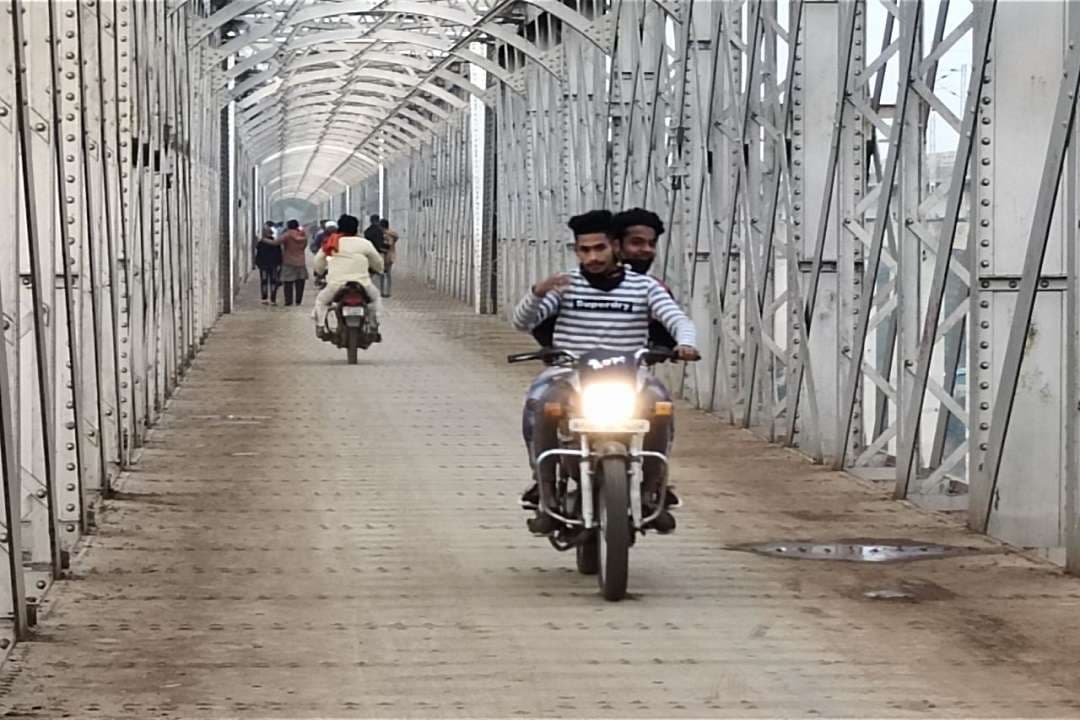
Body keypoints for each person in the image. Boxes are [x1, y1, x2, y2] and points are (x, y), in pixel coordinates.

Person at [511, 210, 700, 535]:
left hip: (630, 375)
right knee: (539, 404)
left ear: (615, 246)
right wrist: (537, 293)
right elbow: (522, 322)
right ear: (576, 252)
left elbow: (676, 318)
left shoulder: (644, 287)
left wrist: (685, 343)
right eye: (584, 250)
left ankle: (653, 489)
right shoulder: (564, 284)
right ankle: (545, 492)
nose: (592, 257)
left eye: (599, 248)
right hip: (568, 373)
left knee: (661, 404)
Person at [311, 214, 384, 340]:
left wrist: (320, 271)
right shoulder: (364, 243)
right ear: (356, 228)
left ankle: (321, 326)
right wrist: (379, 270)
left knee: (321, 301)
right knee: (376, 298)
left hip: (336, 284)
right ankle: (373, 326)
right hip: (363, 284)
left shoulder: (332, 242)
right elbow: (377, 262)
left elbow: (318, 261)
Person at [279, 219, 309, 306]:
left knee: (288, 283)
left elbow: (276, 242)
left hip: (288, 261)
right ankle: (298, 301)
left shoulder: (287, 235)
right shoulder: (303, 236)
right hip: (301, 261)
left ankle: (288, 301)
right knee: (300, 283)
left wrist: (265, 240)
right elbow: (304, 246)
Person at [255, 221, 283, 305]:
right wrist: (279, 264)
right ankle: (273, 299)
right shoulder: (276, 243)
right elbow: (279, 254)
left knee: (264, 281)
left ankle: (264, 298)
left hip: (263, 265)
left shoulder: (261, 243)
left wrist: (258, 263)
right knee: (273, 281)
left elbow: (258, 254)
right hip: (273, 265)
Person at [378, 218, 399, 298]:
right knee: (388, 275)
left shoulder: (386, 235)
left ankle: (382, 291)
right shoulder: (393, 234)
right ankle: (388, 291)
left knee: (382, 275)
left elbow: (387, 245)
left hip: (385, 256)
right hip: (390, 256)